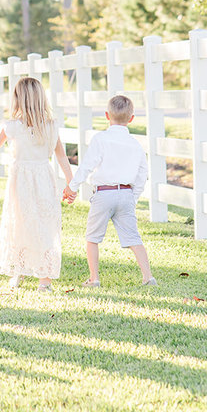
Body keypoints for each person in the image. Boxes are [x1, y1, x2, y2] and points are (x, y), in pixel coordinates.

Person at [0, 76, 73, 292]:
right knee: (33, 224)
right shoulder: (21, 126)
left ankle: (43, 278)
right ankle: (23, 270)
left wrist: (71, 184)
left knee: (30, 224)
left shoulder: (42, 126)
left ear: (18, 99)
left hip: (31, 181)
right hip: (35, 180)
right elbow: (62, 158)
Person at [63, 93, 156, 288]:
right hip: (126, 194)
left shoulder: (101, 139)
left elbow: (87, 166)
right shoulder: (135, 144)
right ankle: (148, 277)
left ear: (107, 115)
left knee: (92, 238)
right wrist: (133, 197)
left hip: (104, 194)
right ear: (131, 118)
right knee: (133, 238)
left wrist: (72, 187)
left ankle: (94, 278)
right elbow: (142, 174)